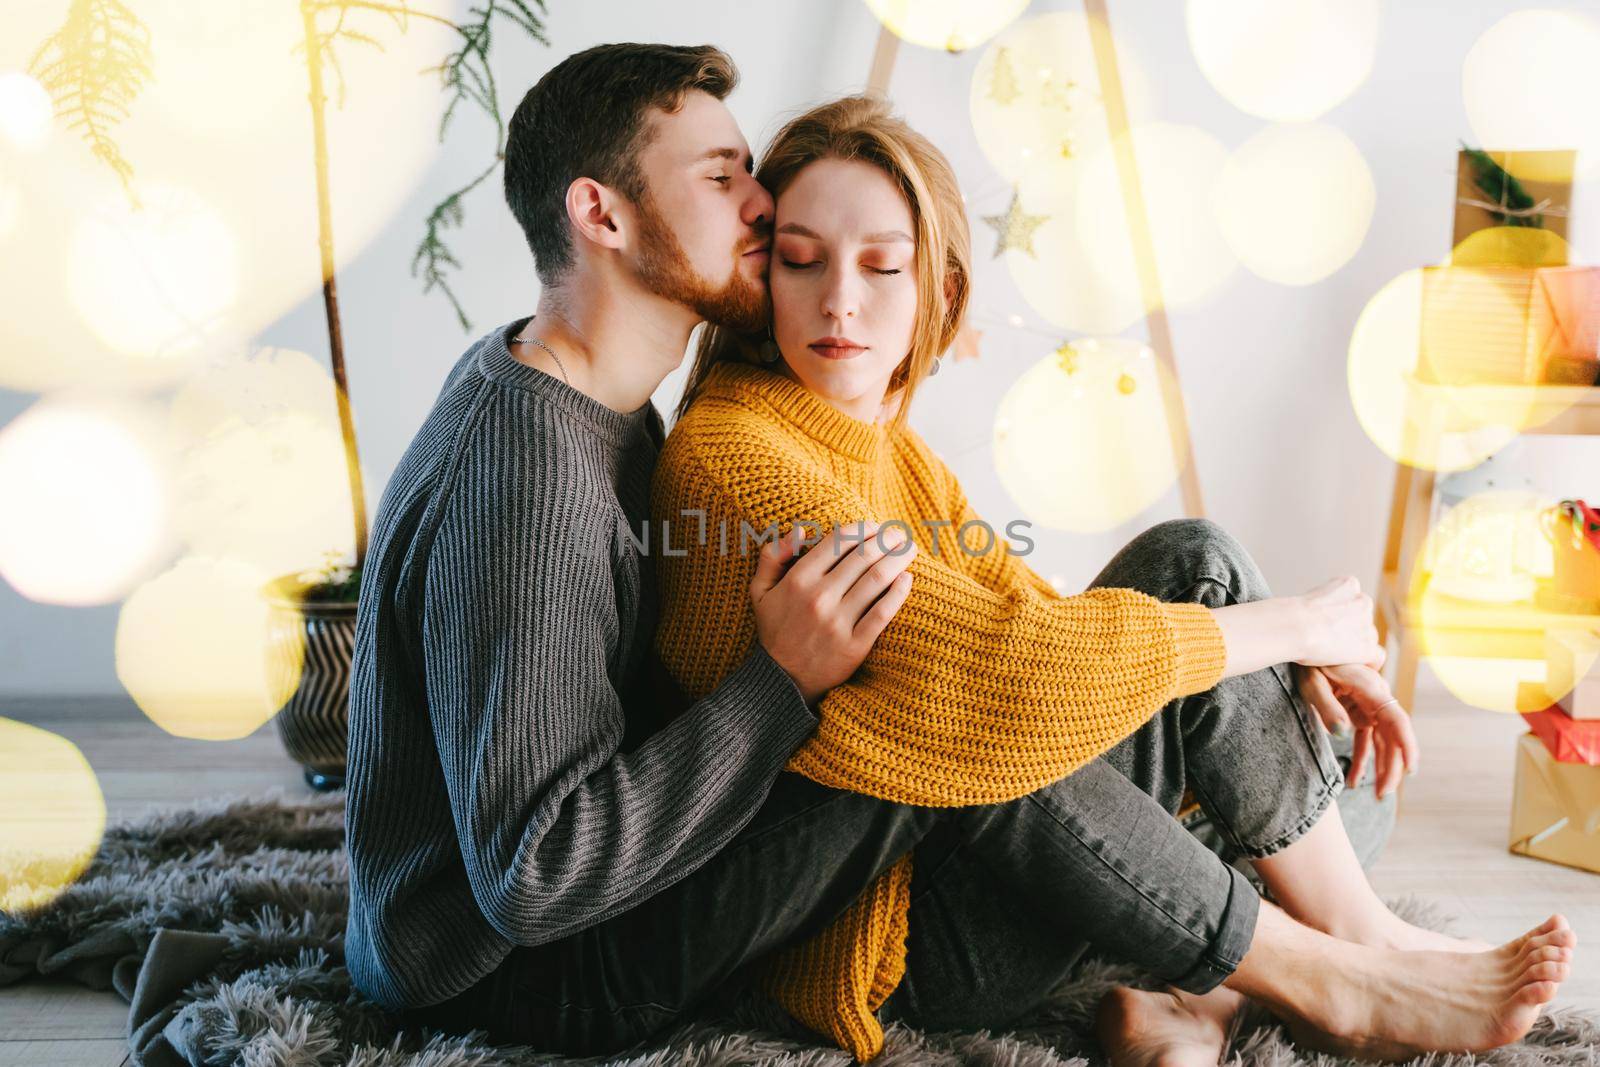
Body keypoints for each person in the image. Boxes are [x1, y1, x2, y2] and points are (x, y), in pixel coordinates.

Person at [343, 42, 1576, 1066]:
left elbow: (1023, 607)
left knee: (1169, 613)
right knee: (953, 708)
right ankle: (1318, 976)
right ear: (600, 212)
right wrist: (778, 687)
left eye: (878, 265)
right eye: (727, 181)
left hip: (642, 892)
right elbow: (531, 878)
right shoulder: (538, 475)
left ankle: (1245, 967)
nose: (763, 214)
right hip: (524, 977)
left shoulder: (592, 398)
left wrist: (1247, 654)